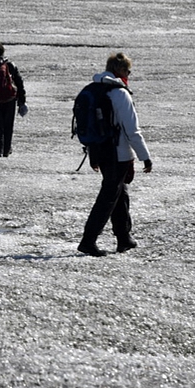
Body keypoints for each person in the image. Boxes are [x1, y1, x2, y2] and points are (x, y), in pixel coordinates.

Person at [78, 52, 153, 257]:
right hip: (117, 153)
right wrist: (144, 156)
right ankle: (88, 241)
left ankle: (123, 237)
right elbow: (132, 130)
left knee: (120, 193)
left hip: (100, 151)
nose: (129, 74)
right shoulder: (120, 93)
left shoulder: (94, 88)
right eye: (128, 71)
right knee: (109, 196)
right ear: (120, 71)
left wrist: (93, 155)